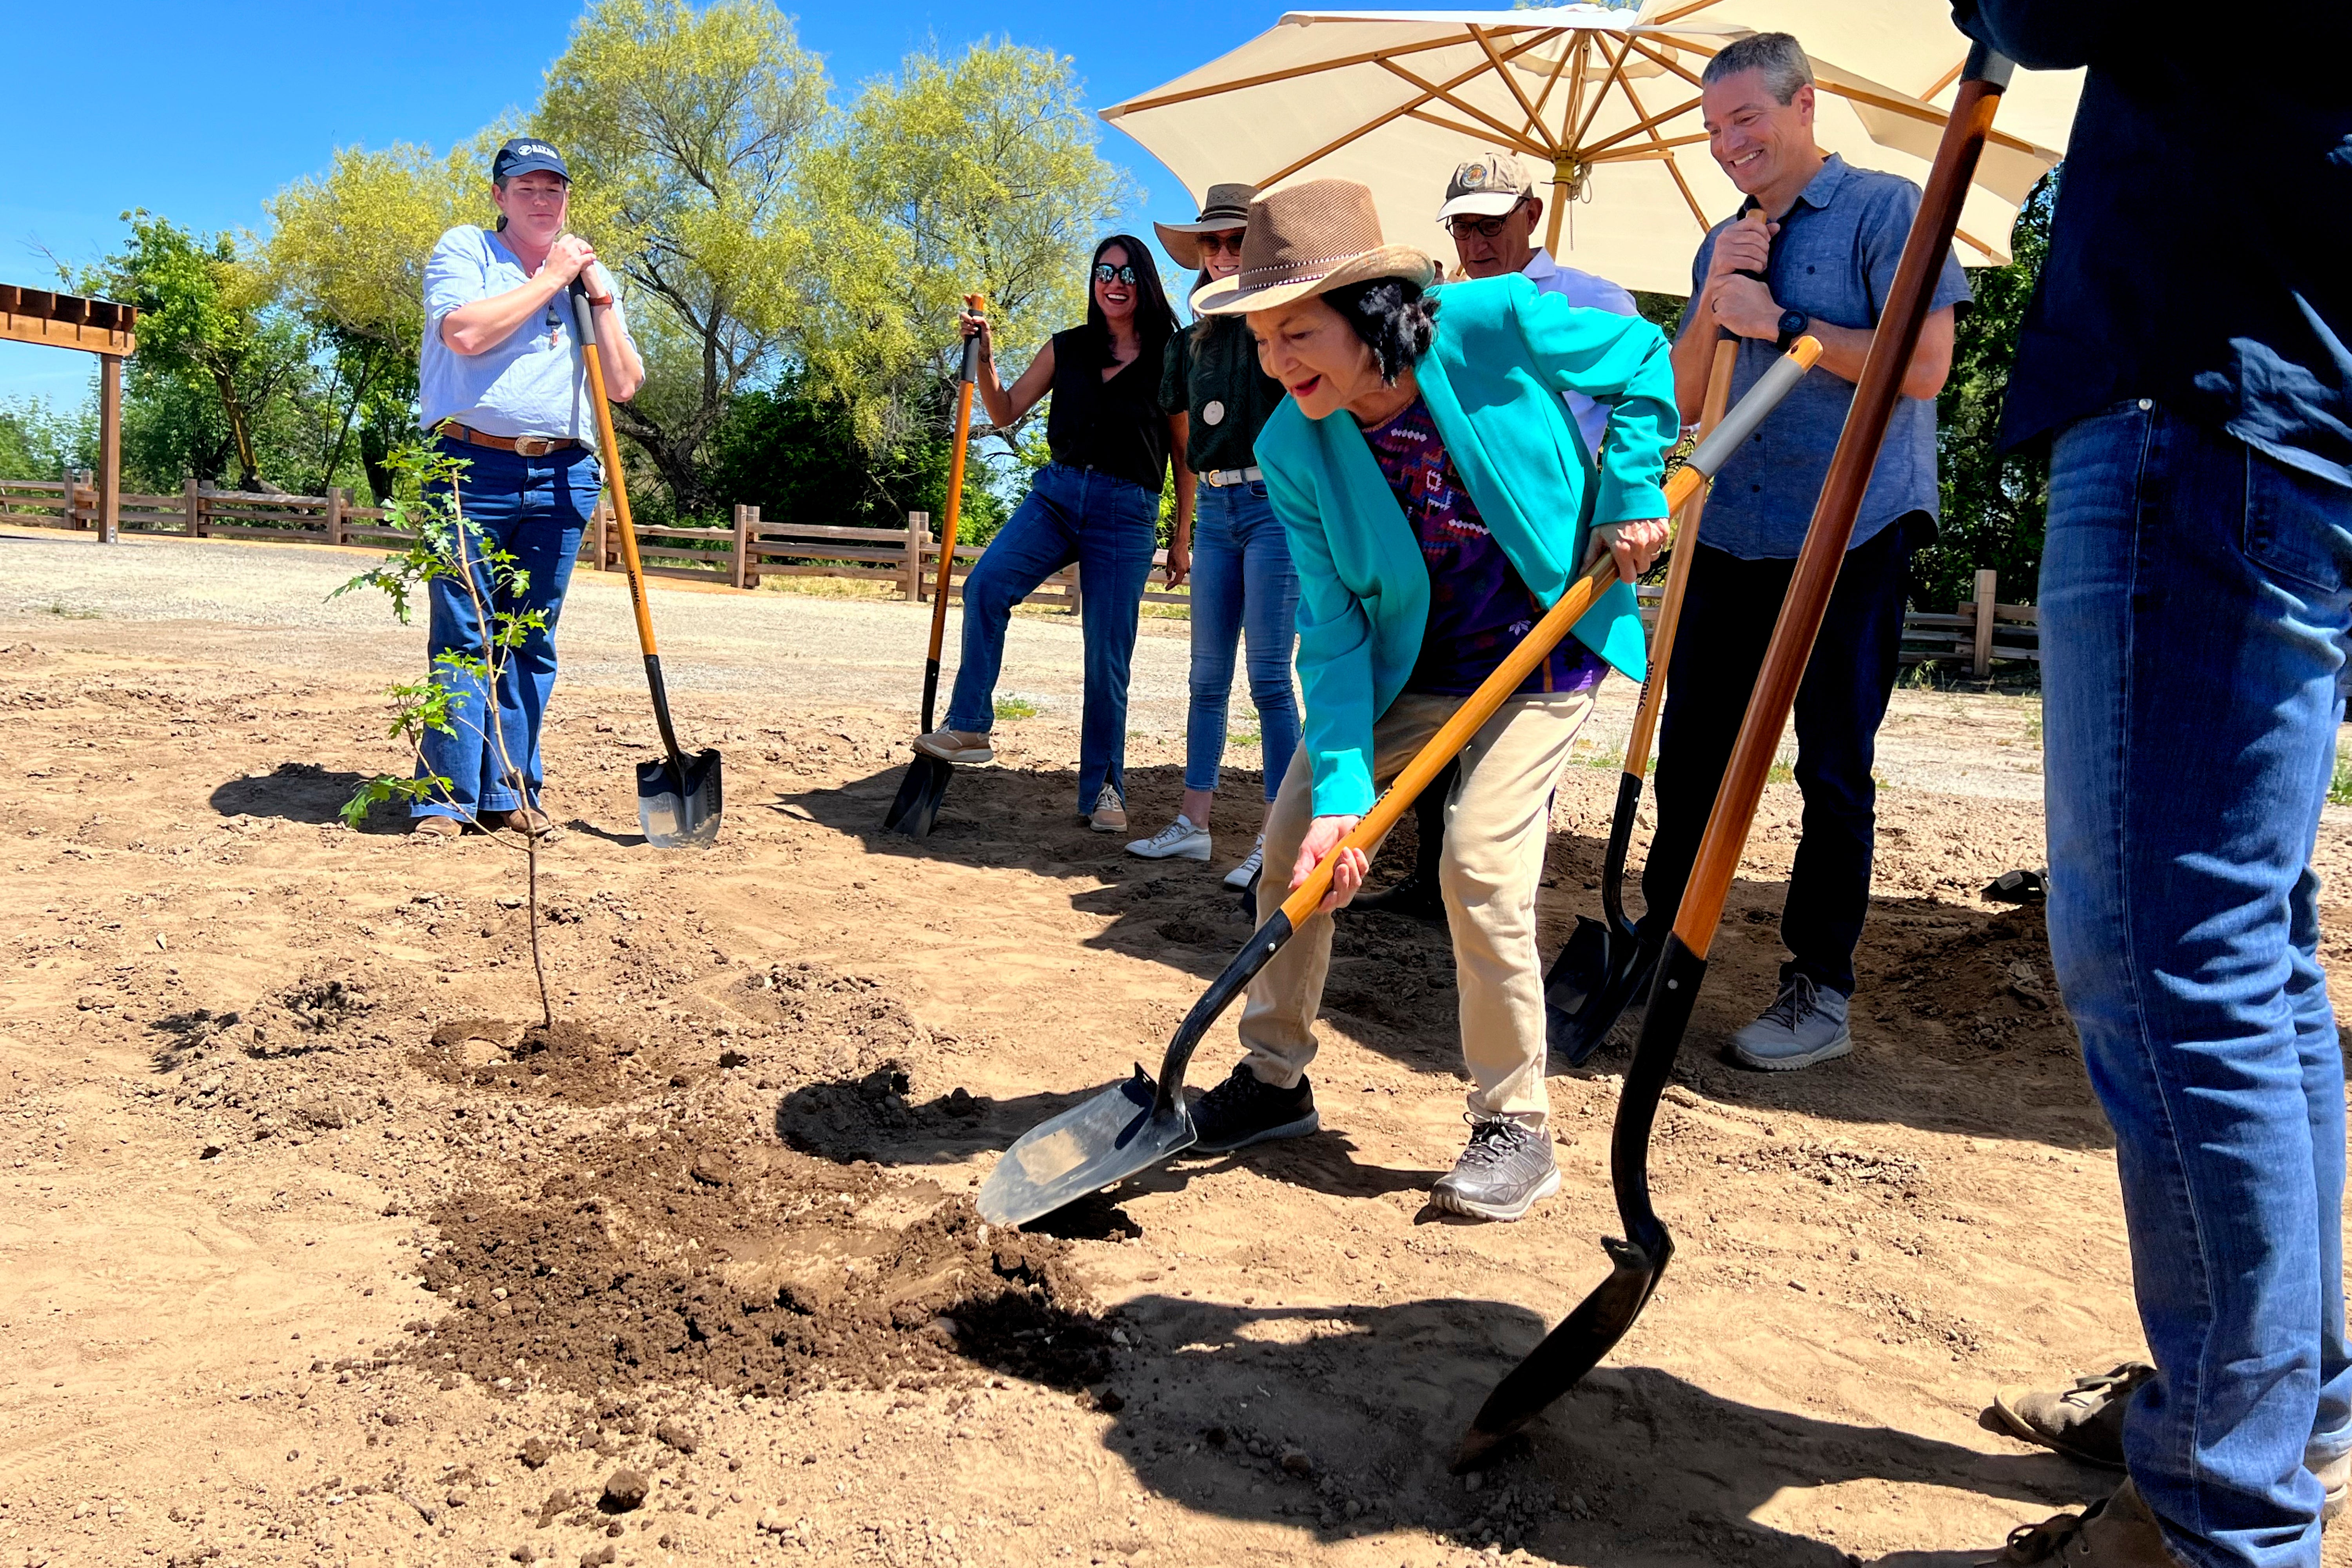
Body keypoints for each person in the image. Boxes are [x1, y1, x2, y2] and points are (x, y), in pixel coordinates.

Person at [1924, 8, 2352, 1566]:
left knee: (2179, 968)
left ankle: (2222, 1514)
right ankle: (2276, 1410)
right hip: (2285, 392)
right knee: (2251, 956)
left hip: (2206, 382)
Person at [1186, 179, 1675, 1221]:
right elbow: (1334, 633)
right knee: (1291, 839)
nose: (1278, 363)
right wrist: (1342, 798)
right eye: (1263, 341)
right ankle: (1273, 1079)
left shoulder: (1490, 322)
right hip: (1413, 670)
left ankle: (1517, 1123)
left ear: (1372, 314)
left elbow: (1642, 357)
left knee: (1479, 863)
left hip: (1544, 650)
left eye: (1298, 333)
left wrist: (1632, 489)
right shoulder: (1290, 448)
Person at [1636, 32, 1968, 1070]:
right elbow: (1686, 396)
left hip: (1852, 529)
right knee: (1692, 757)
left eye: (1746, 119)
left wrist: (1780, 318)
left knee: (1832, 766)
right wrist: (1717, 298)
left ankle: (1820, 987)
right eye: (1712, 129)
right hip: (1732, 528)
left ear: (1805, 105)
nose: (1727, 145)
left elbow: (1924, 367)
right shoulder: (1722, 239)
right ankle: (1660, 949)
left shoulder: (1886, 210)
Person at [1362, 151, 1645, 921]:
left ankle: (1495, 900)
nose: (1474, 241)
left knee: (1513, 746)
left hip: (1548, 560)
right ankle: (1432, 878)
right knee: (1440, 719)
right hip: (1454, 553)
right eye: (1461, 227)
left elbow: (1646, 392)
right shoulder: (1436, 312)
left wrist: (1627, 495)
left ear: (1532, 215)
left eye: (1490, 225)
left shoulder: (1592, 300)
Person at [414, 136, 644, 839]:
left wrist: (599, 295)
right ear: (500, 197)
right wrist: (553, 277)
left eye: (554, 189)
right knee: (464, 632)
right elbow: (465, 335)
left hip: (564, 472)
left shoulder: (587, 279)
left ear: (567, 198)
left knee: (530, 637)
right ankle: (446, 799)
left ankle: (511, 790)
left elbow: (623, 384)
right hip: (469, 465)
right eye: (527, 189)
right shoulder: (468, 251)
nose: (543, 201)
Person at [912, 236, 1184, 832]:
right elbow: (1005, 410)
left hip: (1128, 510)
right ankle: (969, 725)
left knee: (1106, 656)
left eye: (1127, 274)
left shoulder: (1171, 357)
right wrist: (985, 357)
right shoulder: (1067, 347)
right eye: (1104, 272)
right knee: (986, 586)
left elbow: (1183, 454)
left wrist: (1181, 536)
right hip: (1057, 496)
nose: (1114, 283)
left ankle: (1105, 790)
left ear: (1144, 282)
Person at [1125, 185, 1299, 892]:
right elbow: (1182, 438)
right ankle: (1193, 825)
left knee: (1269, 679)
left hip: (1275, 509)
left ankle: (1276, 839)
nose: (1223, 254)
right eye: (1213, 243)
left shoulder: (1283, 327)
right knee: (1204, 677)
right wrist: (1182, 529)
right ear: (1199, 253)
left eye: (1237, 242)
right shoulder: (1185, 345)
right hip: (1219, 511)